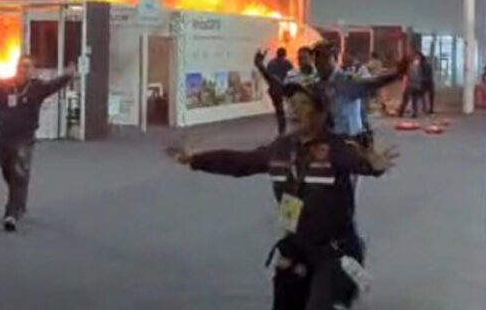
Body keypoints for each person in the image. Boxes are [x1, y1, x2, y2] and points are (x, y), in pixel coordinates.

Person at [169, 83, 398, 310]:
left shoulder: (337, 147)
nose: (293, 110)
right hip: (296, 247)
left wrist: (375, 165)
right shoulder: (280, 148)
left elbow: (362, 163)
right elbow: (241, 162)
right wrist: (195, 160)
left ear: (321, 112)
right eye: (291, 104)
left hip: (337, 252)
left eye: (303, 104)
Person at [0, 56, 76, 232]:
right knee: (7, 170)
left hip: (25, 138)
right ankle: (20, 201)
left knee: (19, 171)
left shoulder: (37, 88)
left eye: (27, 67)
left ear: (33, 70)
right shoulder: (4, 85)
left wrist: (68, 75)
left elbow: (54, 85)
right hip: (4, 136)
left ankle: (11, 213)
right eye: (20, 66)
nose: (22, 69)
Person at [311, 41, 406, 147]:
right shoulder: (318, 85)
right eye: (317, 58)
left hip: (349, 140)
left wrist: (397, 74)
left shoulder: (345, 81)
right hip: (327, 141)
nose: (320, 63)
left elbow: (373, 82)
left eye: (324, 58)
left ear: (335, 59)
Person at [255, 47, 294, 135]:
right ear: (285, 54)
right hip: (283, 88)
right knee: (286, 109)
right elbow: (291, 75)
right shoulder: (287, 63)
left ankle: (282, 130)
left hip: (274, 89)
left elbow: (267, 75)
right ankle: (283, 130)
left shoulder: (271, 63)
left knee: (279, 110)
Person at [397, 52, 425, 118]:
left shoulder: (410, 67)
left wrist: (405, 84)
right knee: (415, 100)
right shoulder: (419, 68)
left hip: (410, 85)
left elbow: (408, 76)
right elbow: (420, 77)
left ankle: (401, 112)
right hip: (417, 85)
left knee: (405, 99)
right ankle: (415, 113)